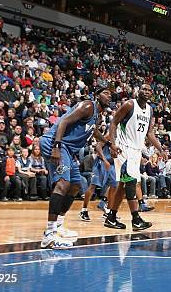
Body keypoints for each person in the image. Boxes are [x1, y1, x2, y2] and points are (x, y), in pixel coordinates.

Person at [39, 87, 113, 249]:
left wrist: (108, 143)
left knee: (75, 186)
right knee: (63, 184)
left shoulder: (97, 117)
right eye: (106, 92)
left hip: (68, 149)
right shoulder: (87, 106)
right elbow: (64, 121)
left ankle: (58, 226)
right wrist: (57, 146)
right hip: (55, 143)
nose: (109, 96)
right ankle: (49, 235)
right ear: (97, 94)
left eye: (111, 95)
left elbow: (93, 133)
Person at [106, 84, 164, 231]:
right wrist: (112, 144)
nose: (146, 92)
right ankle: (136, 219)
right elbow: (113, 123)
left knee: (122, 186)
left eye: (149, 90)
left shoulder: (150, 110)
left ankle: (111, 217)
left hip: (136, 151)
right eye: (144, 89)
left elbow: (149, 133)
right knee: (130, 183)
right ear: (138, 91)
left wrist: (160, 148)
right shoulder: (129, 104)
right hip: (124, 149)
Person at [79, 141, 118, 222]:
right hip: (101, 163)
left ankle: (108, 211)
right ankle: (84, 210)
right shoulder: (108, 135)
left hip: (112, 164)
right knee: (93, 186)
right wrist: (104, 159)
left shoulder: (121, 136)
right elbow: (98, 146)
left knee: (114, 186)